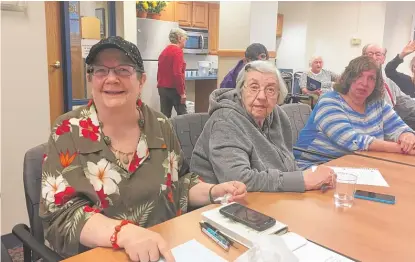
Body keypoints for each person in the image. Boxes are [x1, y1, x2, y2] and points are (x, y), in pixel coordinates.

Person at [40, 36, 247, 261]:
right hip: (101, 255)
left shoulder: (160, 125)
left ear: (141, 80)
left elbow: (179, 184)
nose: (111, 78)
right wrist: (124, 234)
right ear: (91, 79)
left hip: (164, 249)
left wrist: (212, 191)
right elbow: (60, 215)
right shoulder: (68, 130)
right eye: (100, 70)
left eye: (123, 70)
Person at [190, 60, 335, 192]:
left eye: (270, 89)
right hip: (221, 205)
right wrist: (301, 181)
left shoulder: (277, 115)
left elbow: (288, 165)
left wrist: (314, 177)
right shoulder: (225, 121)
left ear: (279, 95)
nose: (261, 96)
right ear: (241, 91)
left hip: (270, 197)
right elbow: (238, 180)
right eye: (254, 87)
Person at [295, 56, 415, 170]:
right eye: (359, 76)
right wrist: (401, 149)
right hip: (315, 167)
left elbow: (398, 127)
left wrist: (407, 136)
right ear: (348, 78)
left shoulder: (377, 103)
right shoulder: (329, 101)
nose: (364, 83)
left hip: (358, 165)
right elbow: (352, 140)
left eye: (371, 78)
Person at [362, 43, 415, 130]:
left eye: (378, 54)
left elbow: (403, 100)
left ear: (383, 59)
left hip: (394, 121)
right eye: (370, 54)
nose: (374, 57)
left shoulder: (388, 82)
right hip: (374, 125)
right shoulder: (357, 79)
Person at [157, 28, 188, 118]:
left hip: (162, 88)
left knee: (165, 117)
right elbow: (177, 74)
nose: (185, 40)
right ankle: (183, 132)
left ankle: (165, 132)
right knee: (183, 117)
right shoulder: (177, 51)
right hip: (174, 89)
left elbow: (160, 72)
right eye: (185, 38)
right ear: (179, 38)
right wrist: (182, 93)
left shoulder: (164, 51)